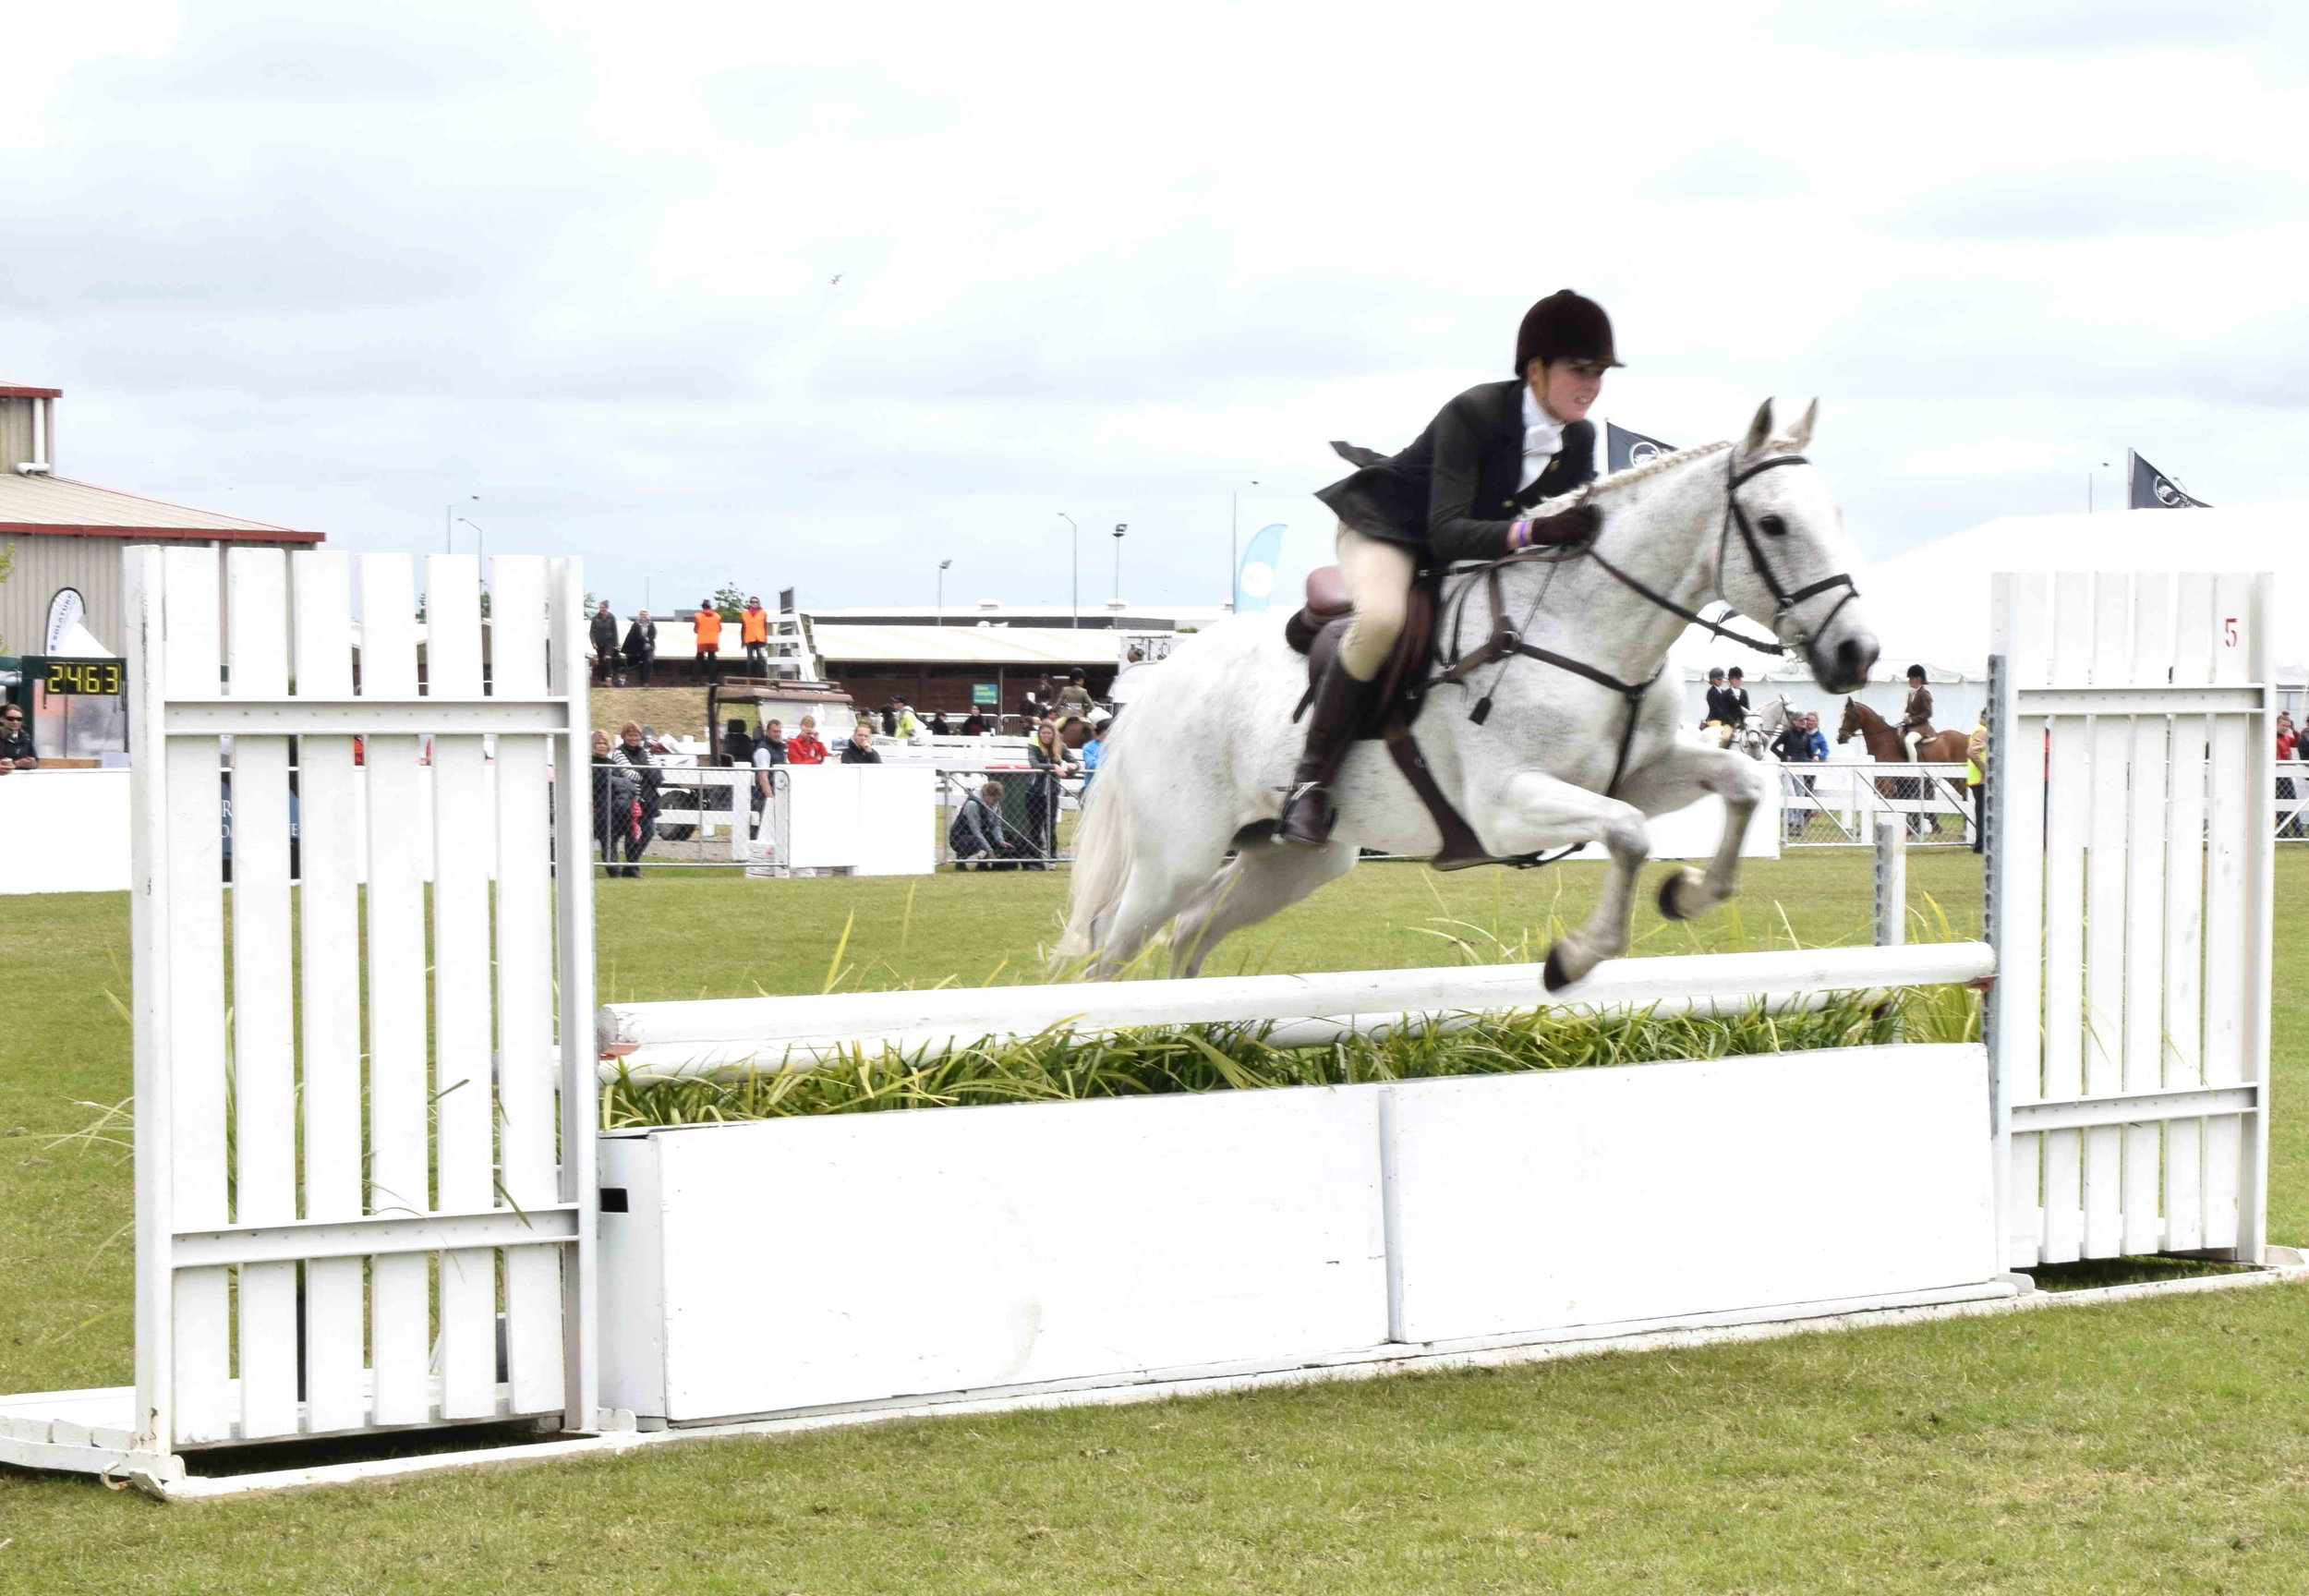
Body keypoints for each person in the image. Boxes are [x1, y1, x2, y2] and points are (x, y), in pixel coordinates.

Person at [1285, 289, 1614, 846]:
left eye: (1600, 372)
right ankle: (1310, 782)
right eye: (1578, 369)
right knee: (1384, 620)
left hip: (1471, 553)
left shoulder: (1579, 437)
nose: (1591, 385)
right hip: (1391, 531)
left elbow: (1564, 529)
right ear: (1536, 370)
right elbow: (1447, 530)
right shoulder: (1477, 411)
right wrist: (1535, 530)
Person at [600, 722, 660, 877]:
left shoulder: (646, 753)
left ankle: (632, 864)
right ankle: (629, 867)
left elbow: (658, 775)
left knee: (647, 831)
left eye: (636, 735)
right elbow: (629, 774)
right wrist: (647, 773)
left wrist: (644, 772)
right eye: (630, 735)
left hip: (647, 800)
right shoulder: (619, 753)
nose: (633, 738)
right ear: (624, 737)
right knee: (632, 833)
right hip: (629, 800)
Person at [948, 780, 1032, 870]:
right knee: (976, 840)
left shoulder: (995, 804)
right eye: (994, 799)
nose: (996, 802)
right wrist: (990, 851)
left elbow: (996, 825)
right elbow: (976, 832)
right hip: (960, 837)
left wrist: (1001, 841)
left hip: (981, 833)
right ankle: (961, 859)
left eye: (998, 800)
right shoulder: (972, 805)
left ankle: (982, 864)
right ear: (986, 795)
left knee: (1007, 834)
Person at [1898, 665, 1935, 761]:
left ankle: (1914, 768)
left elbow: (1928, 713)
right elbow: (1909, 709)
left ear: (1918, 679)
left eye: (1911, 678)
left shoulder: (1924, 694)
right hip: (1911, 726)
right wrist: (1906, 715)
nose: (1909, 681)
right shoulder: (1911, 693)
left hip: (1921, 727)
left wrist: (1912, 719)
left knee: (1908, 741)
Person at [1966, 710, 1989, 855]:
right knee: (1983, 812)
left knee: (1982, 812)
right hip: (1981, 779)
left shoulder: (1978, 729)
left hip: (1977, 778)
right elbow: (1973, 752)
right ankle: (1980, 844)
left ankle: (1981, 844)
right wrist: (1986, 769)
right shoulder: (1982, 731)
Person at [621, 610, 658, 687]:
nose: (644, 616)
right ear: (639, 615)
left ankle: (646, 681)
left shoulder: (651, 624)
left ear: (647, 616)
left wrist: (647, 639)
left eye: (645, 614)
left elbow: (653, 635)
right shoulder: (636, 624)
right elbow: (631, 636)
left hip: (648, 647)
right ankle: (642, 682)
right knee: (639, 665)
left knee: (649, 662)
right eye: (642, 614)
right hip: (638, 648)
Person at [589, 600, 621, 686]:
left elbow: (615, 631)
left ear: (607, 608)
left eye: (603, 607)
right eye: (600, 608)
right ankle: (603, 680)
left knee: (607, 658)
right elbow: (591, 632)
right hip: (599, 642)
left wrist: (617, 643)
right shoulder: (596, 618)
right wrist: (593, 642)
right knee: (601, 661)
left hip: (609, 642)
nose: (601, 609)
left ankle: (609, 677)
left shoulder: (611, 617)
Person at [0, 705, 38, 772]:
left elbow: (35, 759)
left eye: (19, 719)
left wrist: (32, 763)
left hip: (21, 778)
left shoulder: (26, 737)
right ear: (2, 719)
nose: (15, 722)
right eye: (10, 719)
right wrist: (17, 763)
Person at [740, 596, 771, 677]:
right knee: (749, 661)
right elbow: (743, 628)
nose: (754, 604)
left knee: (761, 660)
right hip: (749, 639)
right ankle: (749, 678)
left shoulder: (763, 613)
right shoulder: (744, 613)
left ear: (758, 603)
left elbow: (765, 626)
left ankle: (762, 678)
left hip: (760, 639)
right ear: (750, 603)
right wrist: (742, 640)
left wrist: (766, 639)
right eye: (752, 602)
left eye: (756, 602)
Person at [693, 600, 723, 682]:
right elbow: (720, 629)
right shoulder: (717, 616)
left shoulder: (698, 616)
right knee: (712, 660)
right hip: (713, 640)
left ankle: (696, 679)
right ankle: (713, 680)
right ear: (710, 607)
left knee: (699, 660)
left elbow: (695, 630)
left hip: (702, 641)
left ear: (702, 607)